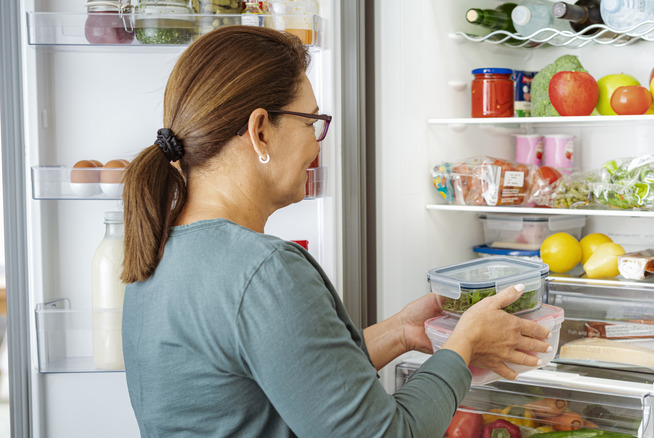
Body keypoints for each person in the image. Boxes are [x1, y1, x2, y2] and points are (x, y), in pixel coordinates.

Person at [120, 25, 552, 437]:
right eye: (310, 123)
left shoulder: (159, 250)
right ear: (260, 132)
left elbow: (281, 383)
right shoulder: (263, 271)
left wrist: (399, 332)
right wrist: (465, 345)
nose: (316, 144)